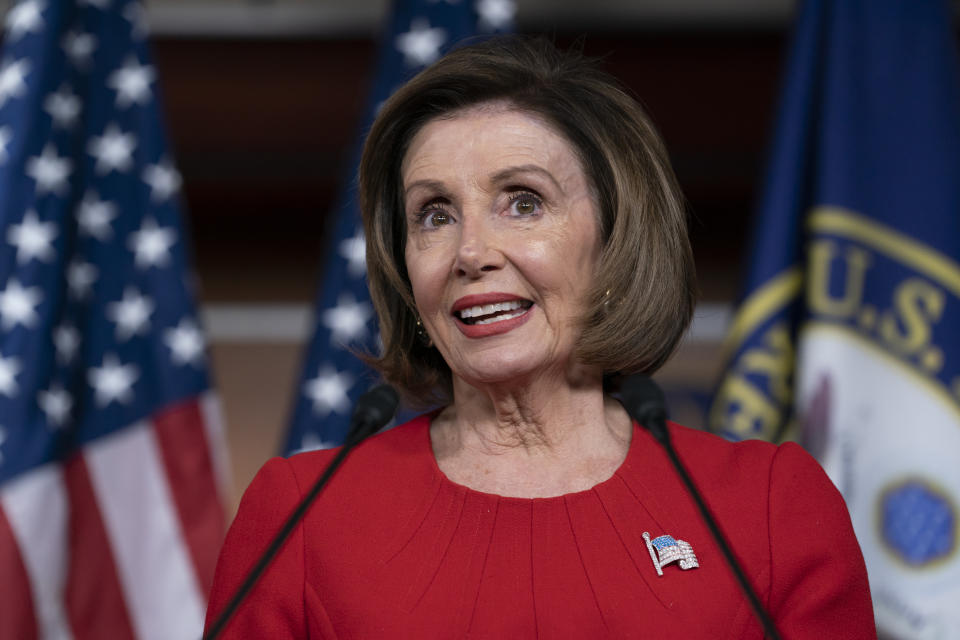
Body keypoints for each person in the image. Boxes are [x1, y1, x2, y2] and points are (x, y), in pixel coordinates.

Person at [205, 37, 876, 638]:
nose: (471, 251)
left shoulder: (767, 509)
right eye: (433, 214)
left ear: (615, 243)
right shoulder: (303, 517)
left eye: (523, 202)